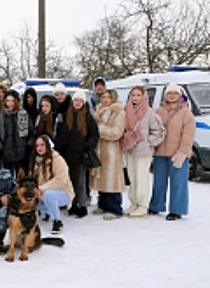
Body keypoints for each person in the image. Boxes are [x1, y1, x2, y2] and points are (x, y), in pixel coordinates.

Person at [149, 83, 195, 221]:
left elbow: (189, 134)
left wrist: (183, 151)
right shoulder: (158, 111)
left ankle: (177, 209)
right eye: (169, 93)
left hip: (178, 153)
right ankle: (156, 205)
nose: (172, 96)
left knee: (178, 182)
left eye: (175, 93)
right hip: (160, 153)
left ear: (180, 95)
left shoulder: (186, 113)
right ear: (165, 95)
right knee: (159, 181)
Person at [121, 86, 165, 218]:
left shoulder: (149, 112)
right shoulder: (126, 110)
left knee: (142, 178)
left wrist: (148, 141)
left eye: (138, 95)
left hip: (143, 151)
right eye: (133, 95)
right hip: (130, 149)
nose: (135, 98)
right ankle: (134, 202)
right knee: (132, 177)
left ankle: (143, 205)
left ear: (144, 97)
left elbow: (159, 131)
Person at [90, 90, 126, 220]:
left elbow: (117, 132)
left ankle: (115, 208)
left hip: (112, 151)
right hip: (99, 150)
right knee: (102, 179)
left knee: (112, 179)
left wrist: (99, 129)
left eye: (108, 97)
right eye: (103, 97)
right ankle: (103, 204)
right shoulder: (98, 111)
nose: (105, 99)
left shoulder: (119, 112)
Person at [64, 91, 99, 218]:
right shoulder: (67, 115)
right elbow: (63, 133)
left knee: (80, 182)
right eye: (75, 101)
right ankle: (73, 204)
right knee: (70, 181)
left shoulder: (88, 117)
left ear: (83, 103)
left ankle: (82, 205)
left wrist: (86, 145)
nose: (77, 103)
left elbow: (94, 135)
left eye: (80, 101)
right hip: (68, 154)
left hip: (82, 154)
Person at [30, 135, 74, 234]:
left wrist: (42, 188)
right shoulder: (37, 161)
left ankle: (57, 221)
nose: (39, 148)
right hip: (45, 191)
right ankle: (44, 213)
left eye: (42, 145)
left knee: (48, 194)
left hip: (63, 193)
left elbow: (60, 180)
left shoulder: (57, 159)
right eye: (37, 146)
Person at [0, 89, 34, 175]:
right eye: (7, 101)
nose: (10, 103)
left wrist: (28, 145)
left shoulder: (24, 114)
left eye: (12, 100)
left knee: (22, 180)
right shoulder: (0, 116)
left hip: (22, 155)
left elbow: (32, 132)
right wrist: (1, 148)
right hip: (6, 156)